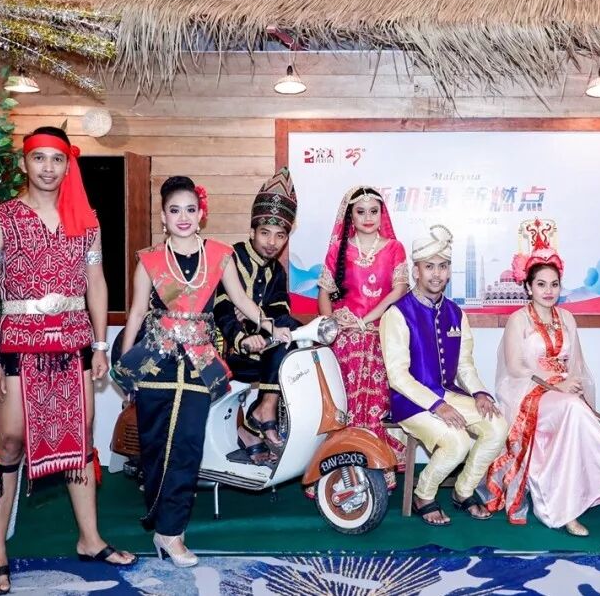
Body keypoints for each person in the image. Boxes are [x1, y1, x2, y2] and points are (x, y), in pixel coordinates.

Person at [0, 126, 134, 595]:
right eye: (39, 158)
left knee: (78, 436)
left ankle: (90, 540)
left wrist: (101, 344)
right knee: (9, 441)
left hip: (73, 341)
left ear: (68, 164)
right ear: (24, 163)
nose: (47, 167)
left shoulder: (86, 218)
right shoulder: (0, 219)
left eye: (57, 159)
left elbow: (97, 283)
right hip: (17, 342)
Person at [113, 176, 281, 567]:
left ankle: (172, 532)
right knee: (155, 447)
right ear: (163, 216)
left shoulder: (220, 255)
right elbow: (136, 314)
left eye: (190, 209)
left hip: (199, 364)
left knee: (187, 448)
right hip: (155, 362)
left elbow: (241, 301)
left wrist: (273, 326)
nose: (183, 217)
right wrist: (126, 367)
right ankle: (161, 524)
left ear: (201, 213)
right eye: (175, 210)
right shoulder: (149, 260)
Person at [482, 219, 600, 536]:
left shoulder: (567, 317)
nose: (548, 291)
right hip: (527, 394)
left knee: (574, 415)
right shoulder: (519, 320)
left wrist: (573, 386)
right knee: (573, 409)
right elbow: (515, 367)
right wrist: (555, 385)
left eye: (554, 284)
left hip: (562, 395)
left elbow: (576, 364)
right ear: (528, 287)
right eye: (541, 284)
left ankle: (566, 512)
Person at [379, 225, 509, 525]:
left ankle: (463, 491)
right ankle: (423, 495)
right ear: (416, 271)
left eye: (442, 266)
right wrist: (437, 406)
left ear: (449, 271)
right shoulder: (397, 314)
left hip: (447, 393)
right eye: (429, 267)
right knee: (458, 442)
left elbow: (464, 366)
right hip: (410, 402)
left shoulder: (455, 313)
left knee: (497, 426)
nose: (436, 274)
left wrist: (480, 393)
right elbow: (397, 377)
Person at [317, 186, 409, 479]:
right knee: (341, 399)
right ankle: (342, 469)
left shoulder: (394, 248)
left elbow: (399, 290)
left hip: (381, 331)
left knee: (373, 390)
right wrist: (331, 326)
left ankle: (372, 466)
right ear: (350, 216)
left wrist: (366, 320)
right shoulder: (339, 249)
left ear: (382, 214)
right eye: (361, 211)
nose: (368, 217)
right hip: (344, 335)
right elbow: (324, 293)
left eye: (373, 211)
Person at [214, 166, 300, 465]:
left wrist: (257, 322)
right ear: (252, 231)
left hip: (258, 356)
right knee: (285, 336)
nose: (271, 242)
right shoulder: (232, 257)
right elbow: (223, 308)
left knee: (294, 339)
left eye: (280, 235)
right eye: (265, 233)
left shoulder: (277, 271)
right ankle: (260, 418)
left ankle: (259, 417)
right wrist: (241, 337)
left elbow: (279, 315)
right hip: (221, 354)